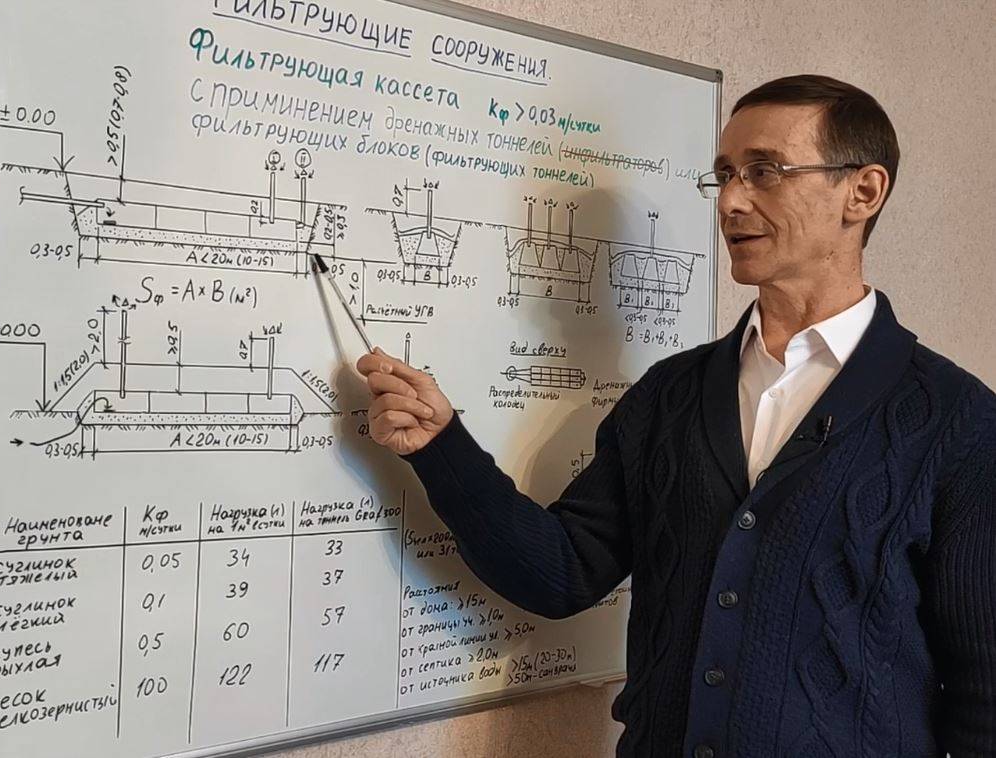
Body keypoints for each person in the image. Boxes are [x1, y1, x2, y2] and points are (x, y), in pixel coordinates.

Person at [357, 75, 995, 757]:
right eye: (724, 174)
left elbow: (985, 695)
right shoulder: (670, 395)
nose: (731, 201)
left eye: (765, 171)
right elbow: (562, 572)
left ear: (862, 192)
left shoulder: (957, 422)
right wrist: (441, 446)